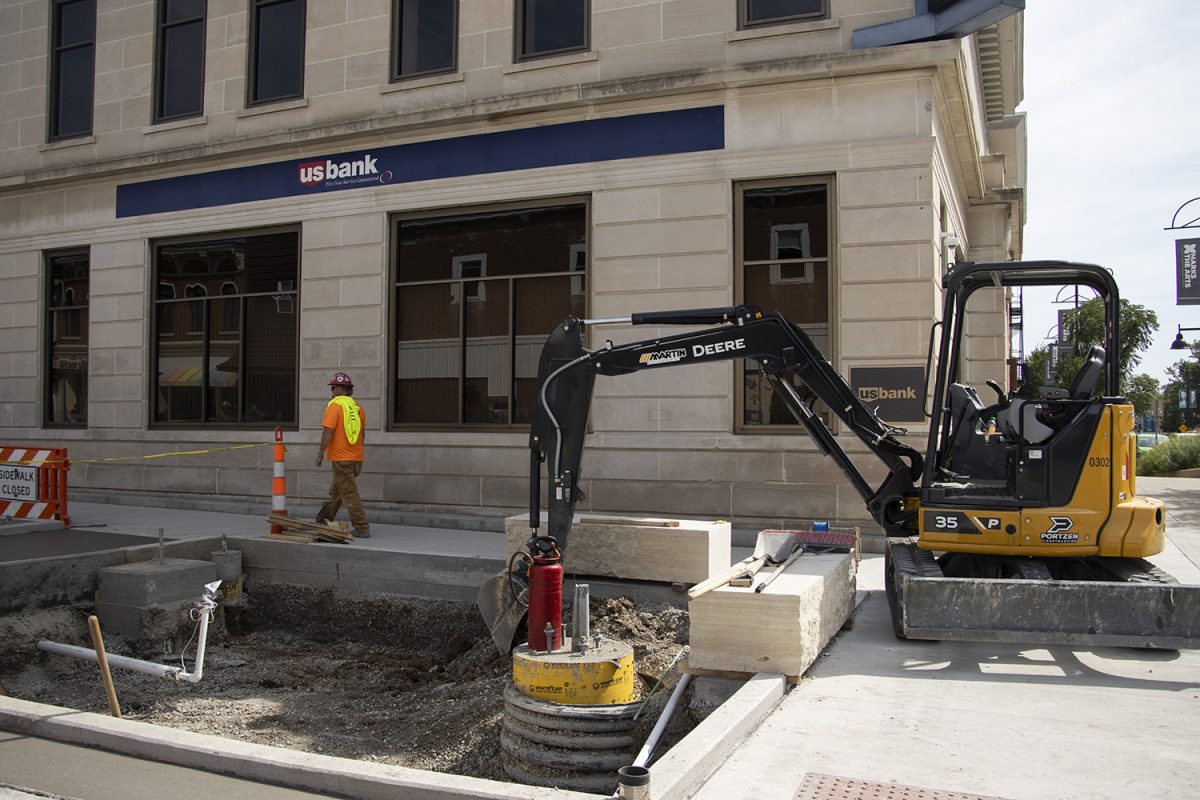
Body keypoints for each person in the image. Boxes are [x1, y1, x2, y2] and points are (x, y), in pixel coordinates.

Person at [315, 372, 369, 537]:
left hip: (341, 459)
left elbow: (328, 432)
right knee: (337, 492)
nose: (331, 391)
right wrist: (356, 454)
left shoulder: (335, 406)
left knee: (349, 493)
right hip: (356, 459)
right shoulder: (358, 408)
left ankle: (362, 527)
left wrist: (320, 453)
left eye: (333, 387)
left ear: (341, 389)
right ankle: (322, 520)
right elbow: (362, 434)